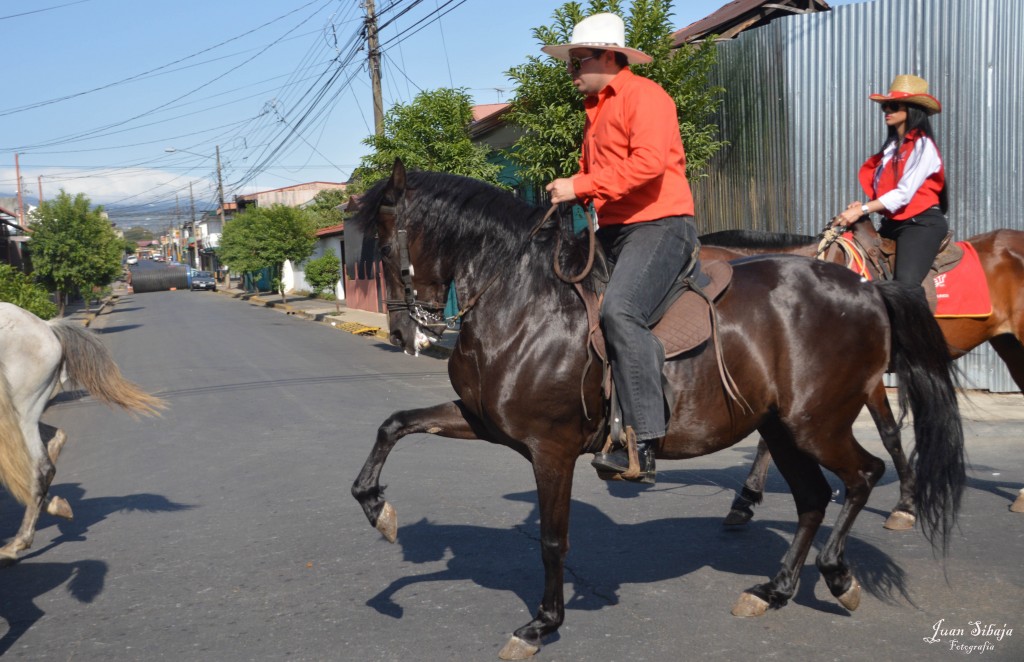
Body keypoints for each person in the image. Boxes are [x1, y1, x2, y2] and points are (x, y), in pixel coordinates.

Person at [542, 13, 699, 484]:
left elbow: (649, 165)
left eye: (578, 61)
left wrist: (581, 184)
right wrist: (577, 190)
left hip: (660, 224)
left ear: (610, 56)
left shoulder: (645, 96)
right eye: (570, 64)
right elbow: (604, 182)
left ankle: (645, 439)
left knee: (620, 313)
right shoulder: (595, 111)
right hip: (613, 229)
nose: (572, 72)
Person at [833, 74, 948, 288]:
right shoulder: (891, 148)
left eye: (893, 106)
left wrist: (863, 210)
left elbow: (903, 194)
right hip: (893, 223)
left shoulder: (923, 146)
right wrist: (863, 206)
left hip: (920, 224)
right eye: (885, 107)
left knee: (905, 286)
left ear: (911, 110)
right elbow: (887, 192)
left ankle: (915, 320)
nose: (887, 112)